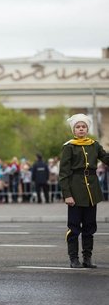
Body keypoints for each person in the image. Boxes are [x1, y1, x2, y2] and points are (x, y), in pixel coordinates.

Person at [59, 113, 109, 268]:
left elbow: (106, 158)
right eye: (78, 127)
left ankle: (87, 258)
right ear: (74, 130)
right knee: (74, 227)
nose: (81, 129)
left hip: (91, 192)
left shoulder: (94, 145)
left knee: (89, 226)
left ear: (87, 129)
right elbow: (63, 173)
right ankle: (73, 258)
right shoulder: (69, 147)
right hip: (75, 190)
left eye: (83, 127)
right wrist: (67, 194)